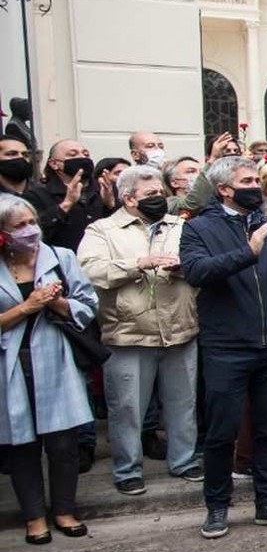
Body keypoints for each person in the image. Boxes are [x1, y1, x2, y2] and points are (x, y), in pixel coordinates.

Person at [180, 156, 267, 538]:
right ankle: (217, 507)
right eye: (248, 180)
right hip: (226, 348)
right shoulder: (199, 228)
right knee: (222, 432)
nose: (257, 185)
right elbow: (196, 272)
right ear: (224, 189)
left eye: (257, 179)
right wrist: (247, 253)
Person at [77, 165, 203, 496]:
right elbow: (90, 270)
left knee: (183, 402)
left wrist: (183, 268)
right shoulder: (102, 230)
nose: (159, 199)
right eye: (150, 195)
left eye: (161, 193)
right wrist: (138, 264)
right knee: (127, 408)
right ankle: (128, 469)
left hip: (180, 328)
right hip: (129, 333)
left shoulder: (179, 225)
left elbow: (202, 262)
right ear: (129, 198)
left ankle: (184, 460)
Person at [0, 194, 98, 544]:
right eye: (20, 226)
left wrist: (56, 302)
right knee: (21, 445)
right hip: (11, 362)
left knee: (63, 443)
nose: (30, 231)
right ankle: (34, 517)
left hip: (55, 358)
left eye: (32, 222)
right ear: (3, 234)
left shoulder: (61, 257)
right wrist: (27, 307)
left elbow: (88, 307)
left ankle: (64, 510)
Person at [28, 139, 104, 251]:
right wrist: (66, 204)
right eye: (73, 154)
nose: (82, 157)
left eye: (85, 154)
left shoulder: (104, 189)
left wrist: (111, 205)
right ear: (54, 164)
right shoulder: (37, 194)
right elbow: (36, 233)